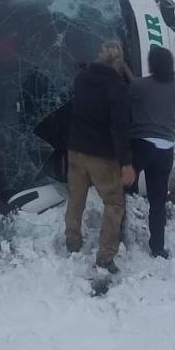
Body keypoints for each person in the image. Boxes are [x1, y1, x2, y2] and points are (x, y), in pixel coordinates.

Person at [64, 41, 136, 273]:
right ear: (119, 63)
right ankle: (105, 256)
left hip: (75, 150)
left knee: (76, 199)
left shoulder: (81, 78)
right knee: (114, 203)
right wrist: (126, 163)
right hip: (102, 157)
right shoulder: (117, 87)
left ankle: (72, 242)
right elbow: (120, 128)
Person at [128, 45, 175, 258]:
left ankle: (118, 237)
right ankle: (157, 247)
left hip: (141, 145)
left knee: (124, 190)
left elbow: (127, 99)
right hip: (165, 149)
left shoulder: (140, 86)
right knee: (157, 200)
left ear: (151, 64)